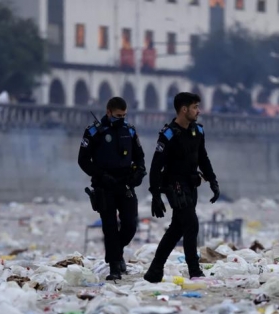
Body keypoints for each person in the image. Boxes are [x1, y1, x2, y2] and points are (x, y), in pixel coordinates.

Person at [143, 92, 220, 283]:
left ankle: (155, 270)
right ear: (184, 109)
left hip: (192, 185)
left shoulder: (198, 131)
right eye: (195, 107)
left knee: (177, 228)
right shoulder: (168, 134)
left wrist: (212, 180)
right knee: (191, 224)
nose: (198, 111)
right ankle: (194, 271)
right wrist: (156, 195)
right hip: (174, 186)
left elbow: (203, 158)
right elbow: (155, 166)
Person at [78, 96, 146, 281]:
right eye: (118, 115)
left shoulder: (129, 131)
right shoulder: (94, 132)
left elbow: (139, 157)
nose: (121, 118)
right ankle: (115, 267)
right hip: (104, 186)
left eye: (124, 115)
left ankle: (114, 253)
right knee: (109, 228)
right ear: (108, 112)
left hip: (125, 184)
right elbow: (83, 160)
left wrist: (138, 173)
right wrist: (100, 175)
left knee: (130, 225)